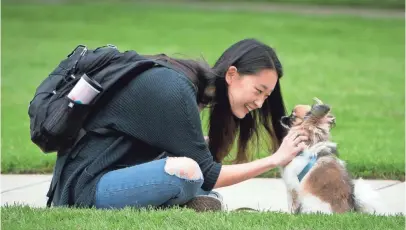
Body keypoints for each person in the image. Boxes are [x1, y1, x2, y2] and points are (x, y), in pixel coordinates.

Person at [48, 38, 308, 211]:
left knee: (195, 157)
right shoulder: (176, 90)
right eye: (259, 91)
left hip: (112, 174)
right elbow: (209, 174)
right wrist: (276, 159)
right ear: (232, 74)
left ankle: (191, 200)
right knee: (188, 172)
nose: (261, 103)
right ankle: (187, 201)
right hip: (85, 188)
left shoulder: (191, 88)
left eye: (266, 96)